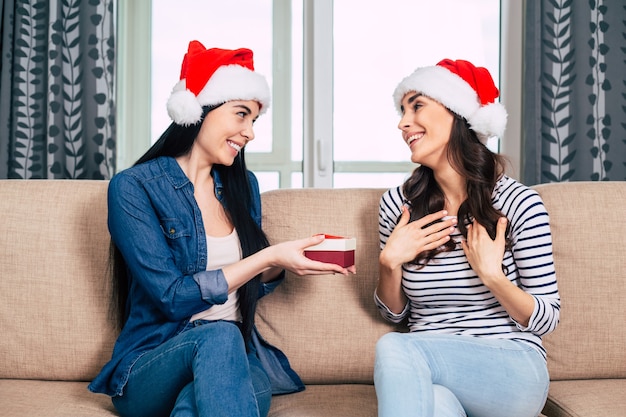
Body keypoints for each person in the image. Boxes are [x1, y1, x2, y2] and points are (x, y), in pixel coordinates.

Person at [88, 40, 355, 417]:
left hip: (235, 361)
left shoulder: (242, 187)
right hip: (153, 363)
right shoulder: (134, 188)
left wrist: (289, 261)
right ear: (200, 110)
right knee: (219, 334)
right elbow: (171, 297)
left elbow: (246, 283)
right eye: (241, 114)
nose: (250, 133)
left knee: (196, 404)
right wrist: (268, 254)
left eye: (254, 121)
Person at [373, 59, 560, 417]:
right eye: (402, 110)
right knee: (436, 406)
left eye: (417, 106)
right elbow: (394, 312)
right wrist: (389, 263)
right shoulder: (398, 205)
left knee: (395, 348)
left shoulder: (518, 203)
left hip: (512, 368)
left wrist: (493, 277)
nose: (403, 123)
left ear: (457, 114)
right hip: (433, 373)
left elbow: (546, 317)